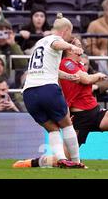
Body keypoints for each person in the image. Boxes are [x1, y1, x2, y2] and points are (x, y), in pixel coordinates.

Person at [14, 37, 108, 169]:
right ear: (70, 49)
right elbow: (86, 79)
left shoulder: (79, 65)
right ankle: (29, 163)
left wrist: (97, 82)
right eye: (78, 46)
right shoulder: (66, 63)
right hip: (79, 118)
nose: (81, 50)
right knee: (63, 160)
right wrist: (97, 76)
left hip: (94, 112)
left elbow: (97, 82)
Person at [17, 14, 86, 168]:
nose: (70, 38)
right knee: (67, 124)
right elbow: (56, 44)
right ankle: (76, 161)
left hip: (29, 94)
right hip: (47, 89)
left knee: (52, 128)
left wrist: (69, 76)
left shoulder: (39, 43)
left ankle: (62, 159)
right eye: (70, 33)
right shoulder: (55, 39)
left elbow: (49, 69)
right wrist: (71, 46)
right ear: (65, 30)